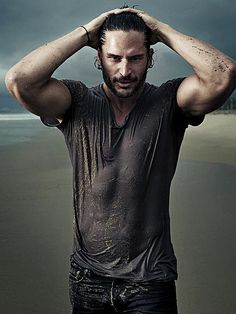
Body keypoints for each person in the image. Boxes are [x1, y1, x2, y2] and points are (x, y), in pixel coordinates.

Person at [5, 6, 236, 314]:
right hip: (87, 277)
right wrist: (86, 32)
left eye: (136, 58)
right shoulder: (77, 102)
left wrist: (161, 30)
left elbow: (223, 74)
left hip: (150, 280)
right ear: (98, 58)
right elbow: (20, 79)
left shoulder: (168, 101)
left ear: (150, 58)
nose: (125, 70)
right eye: (114, 58)